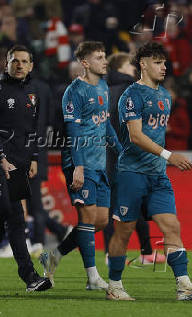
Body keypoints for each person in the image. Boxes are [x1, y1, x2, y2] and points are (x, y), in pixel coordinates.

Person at [106, 42, 192, 301]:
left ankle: (184, 285)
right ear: (144, 64)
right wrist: (169, 155)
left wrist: (163, 159)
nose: (164, 67)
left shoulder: (164, 97)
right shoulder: (131, 95)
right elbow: (136, 136)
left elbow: (155, 135)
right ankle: (114, 286)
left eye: (164, 62)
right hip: (131, 173)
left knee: (171, 226)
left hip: (157, 175)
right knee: (124, 232)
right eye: (158, 62)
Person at [0, 44, 52, 292]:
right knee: (14, 217)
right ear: (7, 63)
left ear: (31, 66)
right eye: (15, 61)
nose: (19, 65)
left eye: (24, 62)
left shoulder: (33, 92)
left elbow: (33, 129)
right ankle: (29, 276)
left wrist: (34, 157)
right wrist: (0, 157)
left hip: (19, 166)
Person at [40, 41, 122, 290]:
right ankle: (93, 278)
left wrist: (120, 150)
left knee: (100, 221)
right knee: (86, 218)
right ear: (85, 63)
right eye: (99, 57)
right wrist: (77, 166)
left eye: (104, 56)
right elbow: (73, 130)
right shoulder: (74, 91)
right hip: (79, 161)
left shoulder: (104, 86)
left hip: (99, 162)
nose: (104, 61)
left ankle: (52, 256)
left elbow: (105, 123)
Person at [103, 52, 166, 265]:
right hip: (131, 156)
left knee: (113, 208)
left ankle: (114, 254)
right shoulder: (132, 91)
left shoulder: (103, 90)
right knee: (134, 204)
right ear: (122, 69)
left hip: (107, 157)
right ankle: (145, 251)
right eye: (131, 67)